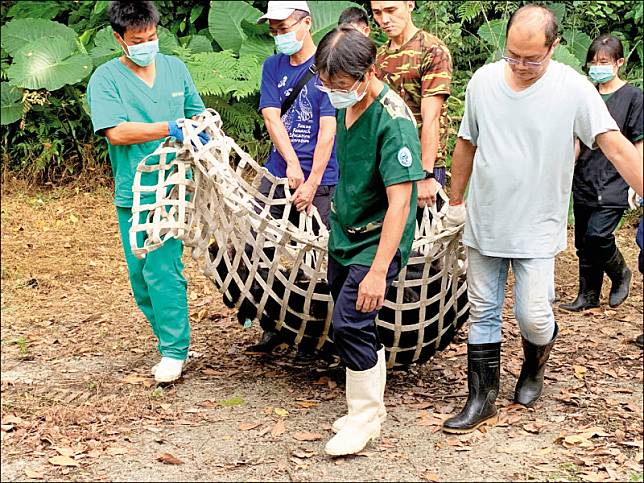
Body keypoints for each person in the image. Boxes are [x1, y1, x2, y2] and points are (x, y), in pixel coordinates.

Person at [441, 4, 643, 434]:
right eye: (512, 54)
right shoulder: (483, 82)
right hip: (485, 218)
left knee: (533, 313)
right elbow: (465, 144)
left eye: (531, 58)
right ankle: (482, 399)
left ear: (554, 47)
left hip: (537, 224)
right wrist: (455, 201)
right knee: (483, 311)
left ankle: (534, 365)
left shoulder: (573, 89)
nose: (520, 65)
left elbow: (616, 145)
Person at [314, 26, 424, 456]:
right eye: (326, 84)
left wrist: (379, 270)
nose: (333, 92)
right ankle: (371, 409)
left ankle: (362, 417)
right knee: (354, 322)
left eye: (340, 85)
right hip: (344, 228)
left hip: (377, 239)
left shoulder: (393, 121)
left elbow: (401, 204)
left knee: (350, 322)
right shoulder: (347, 105)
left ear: (368, 72)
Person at [86, 1, 207, 383]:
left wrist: (200, 132)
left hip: (172, 187)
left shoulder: (175, 68)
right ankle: (175, 340)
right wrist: (169, 126)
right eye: (138, 40)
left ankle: (174, 351)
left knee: (162, 268)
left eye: (152, 37)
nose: (147, 45)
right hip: (133, 189)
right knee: (140, 277)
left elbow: (197, 115)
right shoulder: (105, 79)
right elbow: (116, 131)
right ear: (118, 38)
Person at [247, 0, 338, 357]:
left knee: (324, 255)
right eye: (274, 31)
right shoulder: (273, 66)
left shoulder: (328, 67)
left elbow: (329, 130)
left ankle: (322, 332)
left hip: (325, 176)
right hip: (278, 173)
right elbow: (272, 118)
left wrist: (312, 179)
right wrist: (291, 166)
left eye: (285, 28)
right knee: (257, 247)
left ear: (307, 24)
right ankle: (273, 324)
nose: (279, 36)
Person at [560, 35, 643, 312]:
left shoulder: (633, 97)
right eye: (593, 62)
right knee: (583, 241)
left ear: (619, 63)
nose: (598, 67)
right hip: (584, 176)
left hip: (616, 179)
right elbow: (575, 139)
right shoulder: (586, 95)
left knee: (598, 236)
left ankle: (620, 272)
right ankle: (588, 295)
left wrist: (637, 181)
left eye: (604, 62)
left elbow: (638, 141)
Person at [371, 0, 452, 211]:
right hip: (389, 162)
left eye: (391, 10)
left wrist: (425, 173)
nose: (384, 20)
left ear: (410, 5)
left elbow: (431, 117)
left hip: (423, 163)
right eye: (377, 13)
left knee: (424, 239)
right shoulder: (379, 56)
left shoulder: (432, 50)